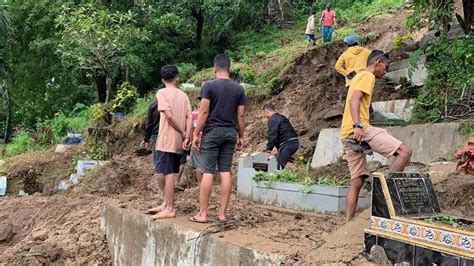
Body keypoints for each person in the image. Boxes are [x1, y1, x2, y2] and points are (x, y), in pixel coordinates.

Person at [340, 50, 412, 222]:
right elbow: (354, 100)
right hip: (360, 129)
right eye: (385, 67)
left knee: (356, 181)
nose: (385, 71)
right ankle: (384, 198)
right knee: (404, 152)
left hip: (345, 133)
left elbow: (354, 99)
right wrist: (358, 125)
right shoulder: (367, 76)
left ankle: (348, 224)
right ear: (378, 62)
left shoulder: (357, 77)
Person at [191, 54, 246, 223]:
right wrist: (241, 135)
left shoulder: (208, 86)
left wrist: (195, 133)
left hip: (212, 132)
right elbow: (241, 114)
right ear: (229, 68)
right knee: (225, 171)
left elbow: (204, 111)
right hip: (230, 133)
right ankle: (222, 214)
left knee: (207, 171)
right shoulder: (239, 89)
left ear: (215, 68)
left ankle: (203, 214)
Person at [150, 65, 192, 220]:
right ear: (177, 77)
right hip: (179, 141)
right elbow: (189, 117)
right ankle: (166, 203)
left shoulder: (161, 92)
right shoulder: (183, 95)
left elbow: (168, 115)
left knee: (166, 173)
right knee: (170, 172)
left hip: (166, 139)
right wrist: (186, 135)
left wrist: (181, 131)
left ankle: (169, 208)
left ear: (162, 79)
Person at [263, 104, 299, 170]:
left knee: (277, 167)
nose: (264, 116)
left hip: (288, 143)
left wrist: (268, 149)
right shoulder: (281, 117)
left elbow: (272, 135)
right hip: (291, 142)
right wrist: (277, 149)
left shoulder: (273, 119)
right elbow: (280, 134)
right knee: (279, 161)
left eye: (264, 114)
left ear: (266, 111)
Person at [190, 110, 203, 182]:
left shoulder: (193, 114)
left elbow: (191, 128)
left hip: (197, 140)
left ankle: (201, 185)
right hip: (210, 140)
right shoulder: (213, 111)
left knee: (198, 164)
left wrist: (191, 140)